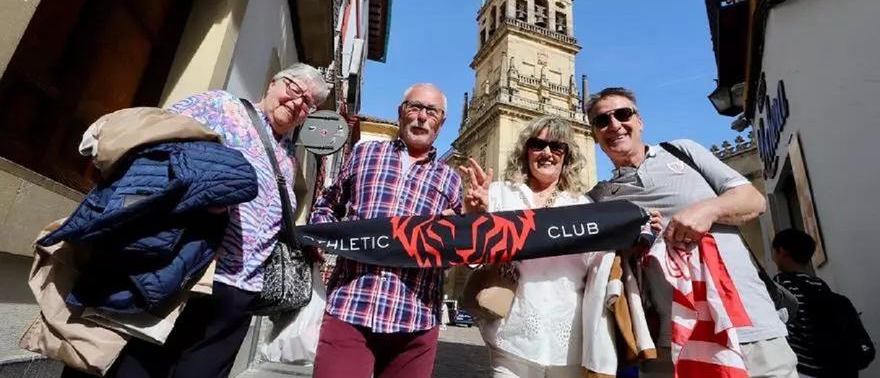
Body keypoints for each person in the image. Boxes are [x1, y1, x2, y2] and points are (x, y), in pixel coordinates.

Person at [74, 64, 330, 378]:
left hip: (241, 293)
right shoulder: (221, 107)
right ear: (273, 82)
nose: (298, 102)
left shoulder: (289, 157)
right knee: (139, 367)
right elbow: (155, 143)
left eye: (309, 103)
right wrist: (200, 195)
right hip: (188, 276)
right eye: (293, 89)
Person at [585, 87, 797, 378]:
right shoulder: (600, 198)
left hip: (750, 328)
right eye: (602, 121)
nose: (614, 125)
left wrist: (706, 211)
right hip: (672, 347)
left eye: (623, 114)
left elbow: (753, 201)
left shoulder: (682, 152)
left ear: (640, 120)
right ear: (594, 135)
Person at [460, 116, 661, 378]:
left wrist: (634, 231)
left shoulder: (583, 206)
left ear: (566, 156)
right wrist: (474, 217)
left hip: (569, 340)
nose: (547, 153)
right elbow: (472, 258)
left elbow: (599, 267)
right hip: (511, 338)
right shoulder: (500, 194)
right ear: (526, 151)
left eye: (557, 147)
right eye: (538, 145)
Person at [310, 83, 463, 378]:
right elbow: (326, 206)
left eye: (431, 111)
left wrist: (471, 218)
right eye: (414, 107)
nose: (422, 117)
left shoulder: (451, 180)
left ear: (441, 122)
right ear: (401, 113)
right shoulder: (364, 153)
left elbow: (457, 253)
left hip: (416, 319)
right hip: (350, 306)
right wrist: (318, 237)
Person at [772, 229, 875, 378]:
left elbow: (785, 325)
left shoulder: (782, 283)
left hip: (805, 369)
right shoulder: (820, 285)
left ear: (781, 251)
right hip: (834, 368)